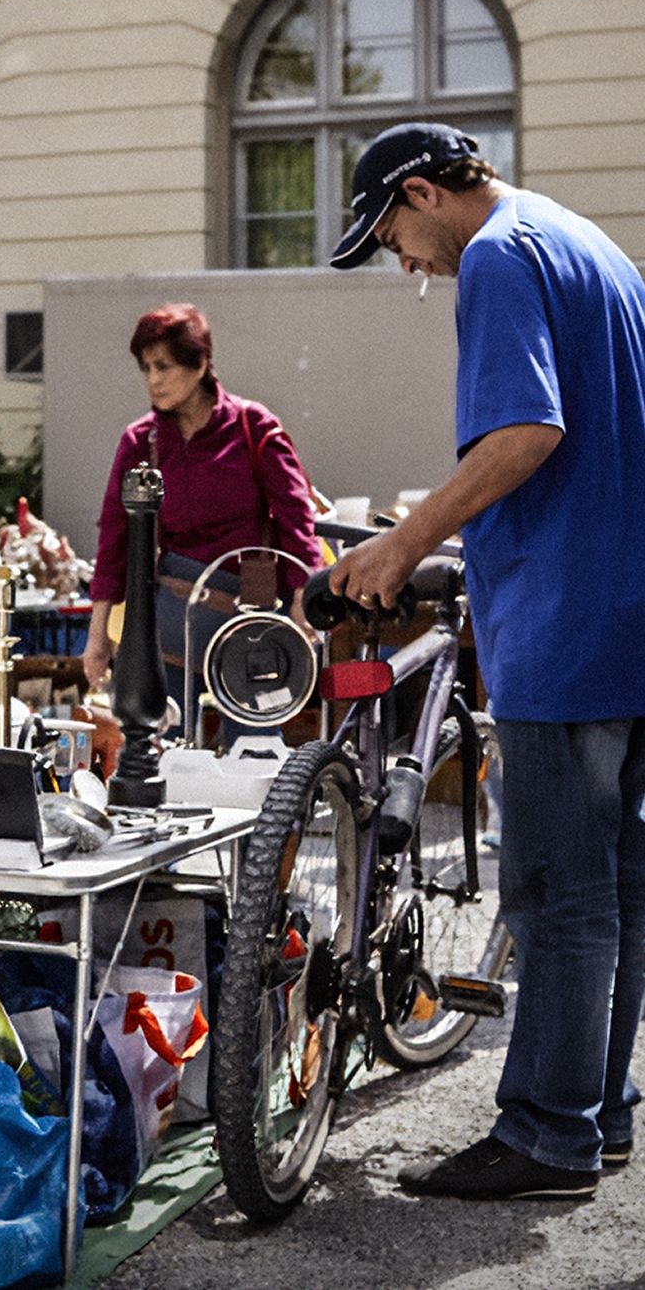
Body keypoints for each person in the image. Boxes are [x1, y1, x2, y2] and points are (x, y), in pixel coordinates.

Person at [328, 121, 645, 1200]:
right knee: (617, 890)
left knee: (556, 890)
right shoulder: (588, 243)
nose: (405, 266)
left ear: (422, 191)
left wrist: (403, 541)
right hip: (627, 612)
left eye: (390, 238)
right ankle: (598, 1119)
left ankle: (546, 1135)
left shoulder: (500, 254)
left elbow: (524, 433)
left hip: (562, 620)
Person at [83, 303, 323, 734]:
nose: (152, 380)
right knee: (156, 754)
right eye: (145, 368)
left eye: (164, 366)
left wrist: (305, 598)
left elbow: (295, 516)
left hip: (251, 623)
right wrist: (97, 636)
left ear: (201, 363)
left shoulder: (253, 426)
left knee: (254, 753)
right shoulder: (142, 441)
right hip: (172, 631)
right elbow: (115, 538)